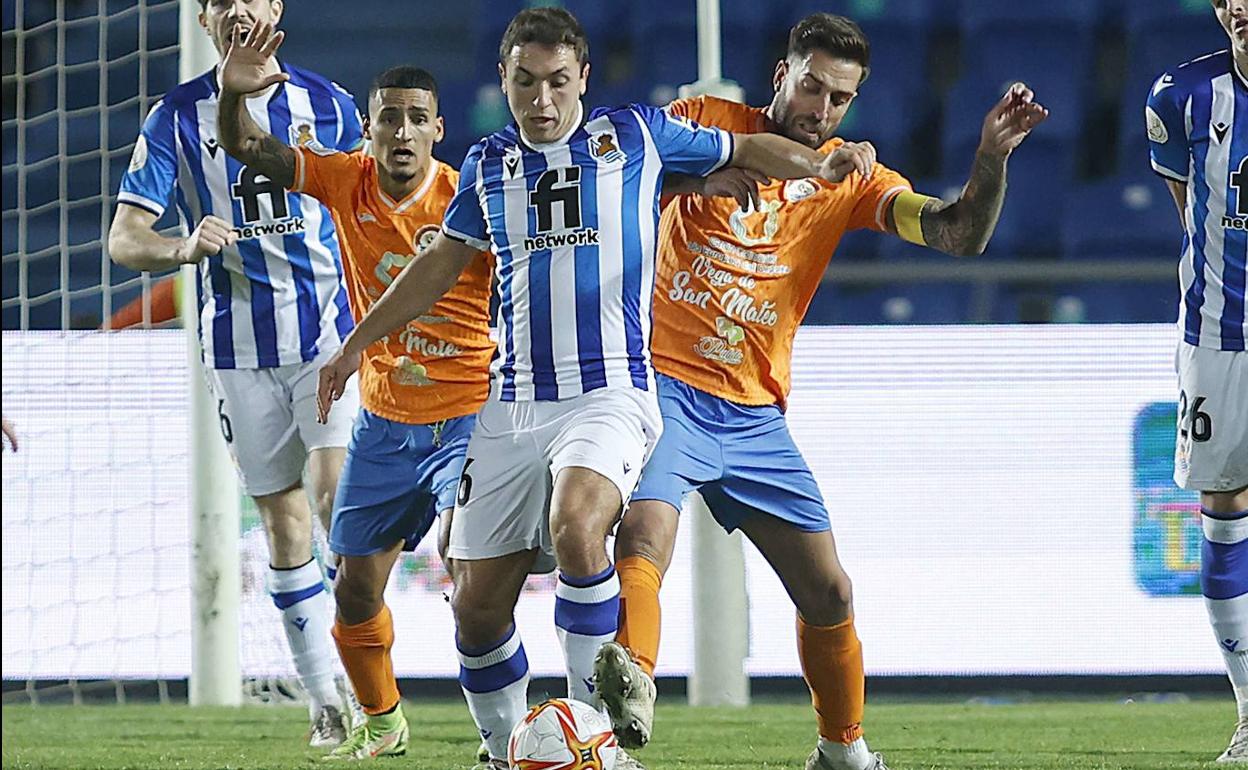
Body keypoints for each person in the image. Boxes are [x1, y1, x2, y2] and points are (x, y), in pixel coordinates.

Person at [314, 8, 880, 769]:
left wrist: (818, 167)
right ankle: (506, 751)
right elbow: (439, 265)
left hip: (610, 391)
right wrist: (354, 345)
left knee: (579, 524)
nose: (541, 99)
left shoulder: (634, 135)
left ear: (583, 77)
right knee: (476, 606)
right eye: (524, 82)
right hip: (511, 402)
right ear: (503, 80)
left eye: (557, 81)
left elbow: (748, 146)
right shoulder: (486, 165)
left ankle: (597, 738)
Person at [590, 13, 1048, 770]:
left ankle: (842, 751)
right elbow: (615, 179)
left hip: (754, 415)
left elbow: (958, 234)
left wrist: (990, 157)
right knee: (643, 534)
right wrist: (699, 178)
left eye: (840, 98)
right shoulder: (706, 122)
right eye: (812, 87)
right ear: (782, 76)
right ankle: (628, 693)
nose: (821, 108)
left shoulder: (849, 176)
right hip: (664, 385)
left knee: (830, 591)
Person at [217, 26, 495, 759]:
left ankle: (505, 730)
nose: (402, 132)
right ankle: (383, 719)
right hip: (383, 421)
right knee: (353, 591)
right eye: (388, 118)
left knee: (468, 568)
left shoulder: (471, 200)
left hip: (466, 415)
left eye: (416, 118)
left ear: (438, 128)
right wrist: (231, 94)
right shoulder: (345, 180)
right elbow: (248, 148)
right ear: (367, 129)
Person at [107, 0, 363, 747]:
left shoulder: (329, 105)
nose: (238, 9)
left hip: (326, 340)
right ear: (204, 21)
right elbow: (125, 238)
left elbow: (373, 207)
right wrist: (181, 247)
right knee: (284, 524)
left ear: (275, 7)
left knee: (336, 502)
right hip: (236, 353)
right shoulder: (173, 118)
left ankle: (374, 682)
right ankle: (325, 701)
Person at [1146, 0, 1248, 762]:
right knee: (1222, 504)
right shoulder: (1178, 96)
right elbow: (1191, 216)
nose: (1238, 7)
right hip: (1218, 336)